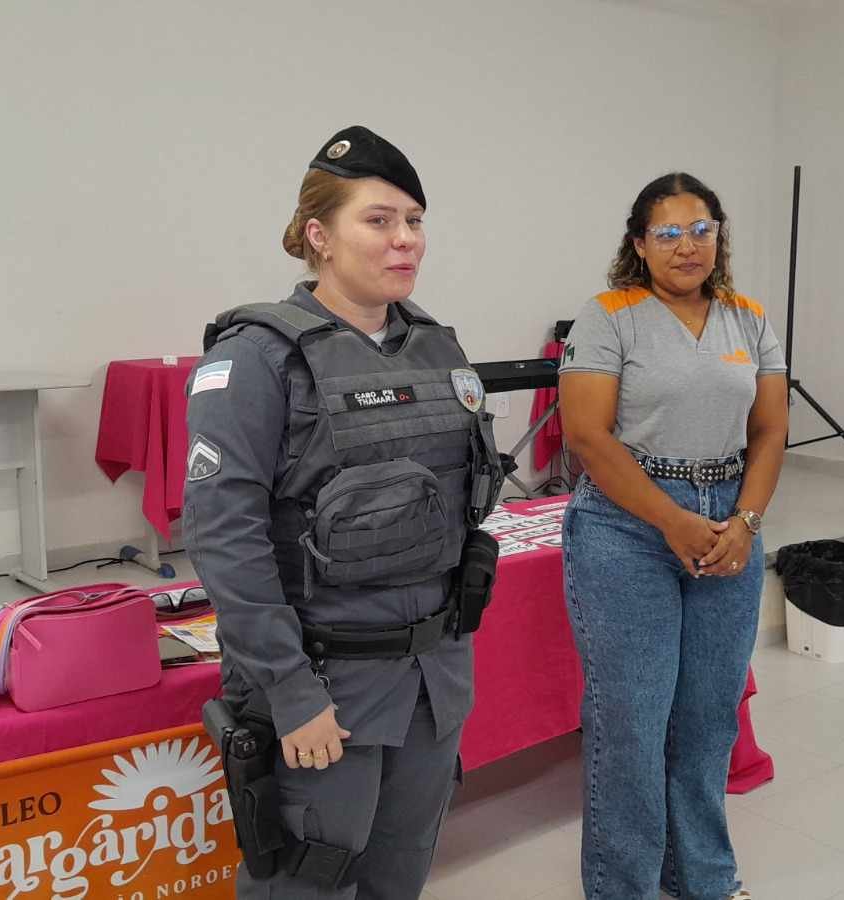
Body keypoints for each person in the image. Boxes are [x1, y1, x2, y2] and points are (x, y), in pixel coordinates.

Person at [184, 125, 503, 900]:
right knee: (308, 881)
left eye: (414, 220)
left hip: (430, 685)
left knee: (401, 872)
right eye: (379, 220)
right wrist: (291, 694)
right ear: (319, 236)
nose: (406, 239)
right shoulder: (255, 359)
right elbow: (225, 541)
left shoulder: (438, 350)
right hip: (325, 691)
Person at [557, 172, 789, 900]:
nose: (687, 246)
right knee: (631, 721)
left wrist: (745, 523)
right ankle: (622, 886)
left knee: (709, 717)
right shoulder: (610, 316)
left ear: (719, 237)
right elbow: (587, 437)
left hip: (729, 519)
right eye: (667, 233)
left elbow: (770, 431)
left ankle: (701, 878)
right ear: (639, 243)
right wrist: (672, 519)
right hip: (625, 526)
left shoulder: (748, 317)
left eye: (701, 230)